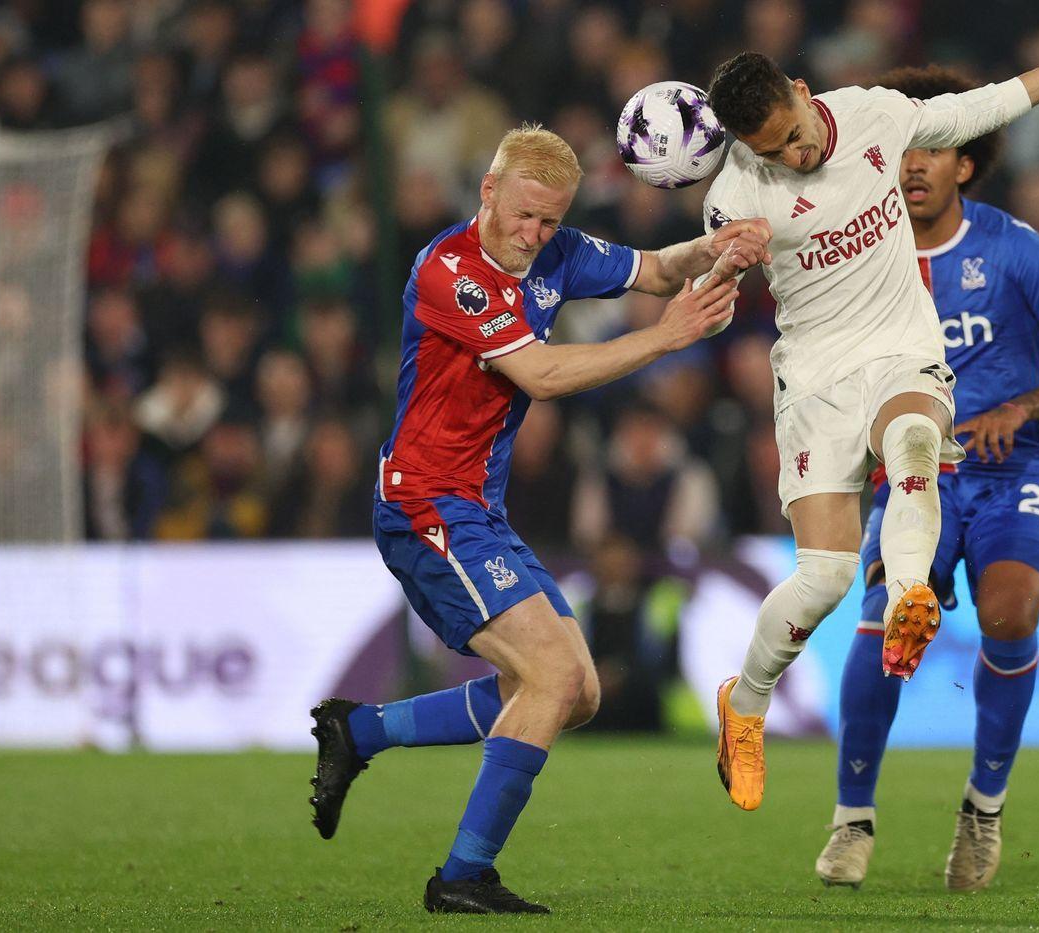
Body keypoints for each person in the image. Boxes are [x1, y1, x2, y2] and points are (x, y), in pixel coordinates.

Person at [306, 124, 769, 915]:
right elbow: (541, 374)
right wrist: (666, 339)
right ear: (488, 192)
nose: (534, 236)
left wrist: (722, 246)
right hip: (425, 505)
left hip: (478, 507)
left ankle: (362, 732)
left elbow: (657, 268)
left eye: (550, 222)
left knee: (576, 692)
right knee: (551, 678)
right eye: (523, 216)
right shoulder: (453, 271)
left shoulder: (554, 251)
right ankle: (462, 875)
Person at [702, 16, 1039, 812]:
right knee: (825, 578)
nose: (794, 156)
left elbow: (971, 111)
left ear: (804, 95)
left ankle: (912, 589)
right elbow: (712, 282)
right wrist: (724, 262)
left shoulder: (875, 113)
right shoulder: (736, 194)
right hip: (813, 378)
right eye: (772, 149)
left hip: (901, 348)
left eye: (796, 136)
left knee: (915, 435)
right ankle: (745, 704)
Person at [813, 67, 1039, 892]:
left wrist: (1021, 407)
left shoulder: (1015, 248)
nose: (912, 164)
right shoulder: (856, 261)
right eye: (902, 149)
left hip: (1012, 466)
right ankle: (852, 820)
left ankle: (982, 810)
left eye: (934, 149)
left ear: (965, 165)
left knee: (1011, 612)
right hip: (916, 475)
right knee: (885, 620)